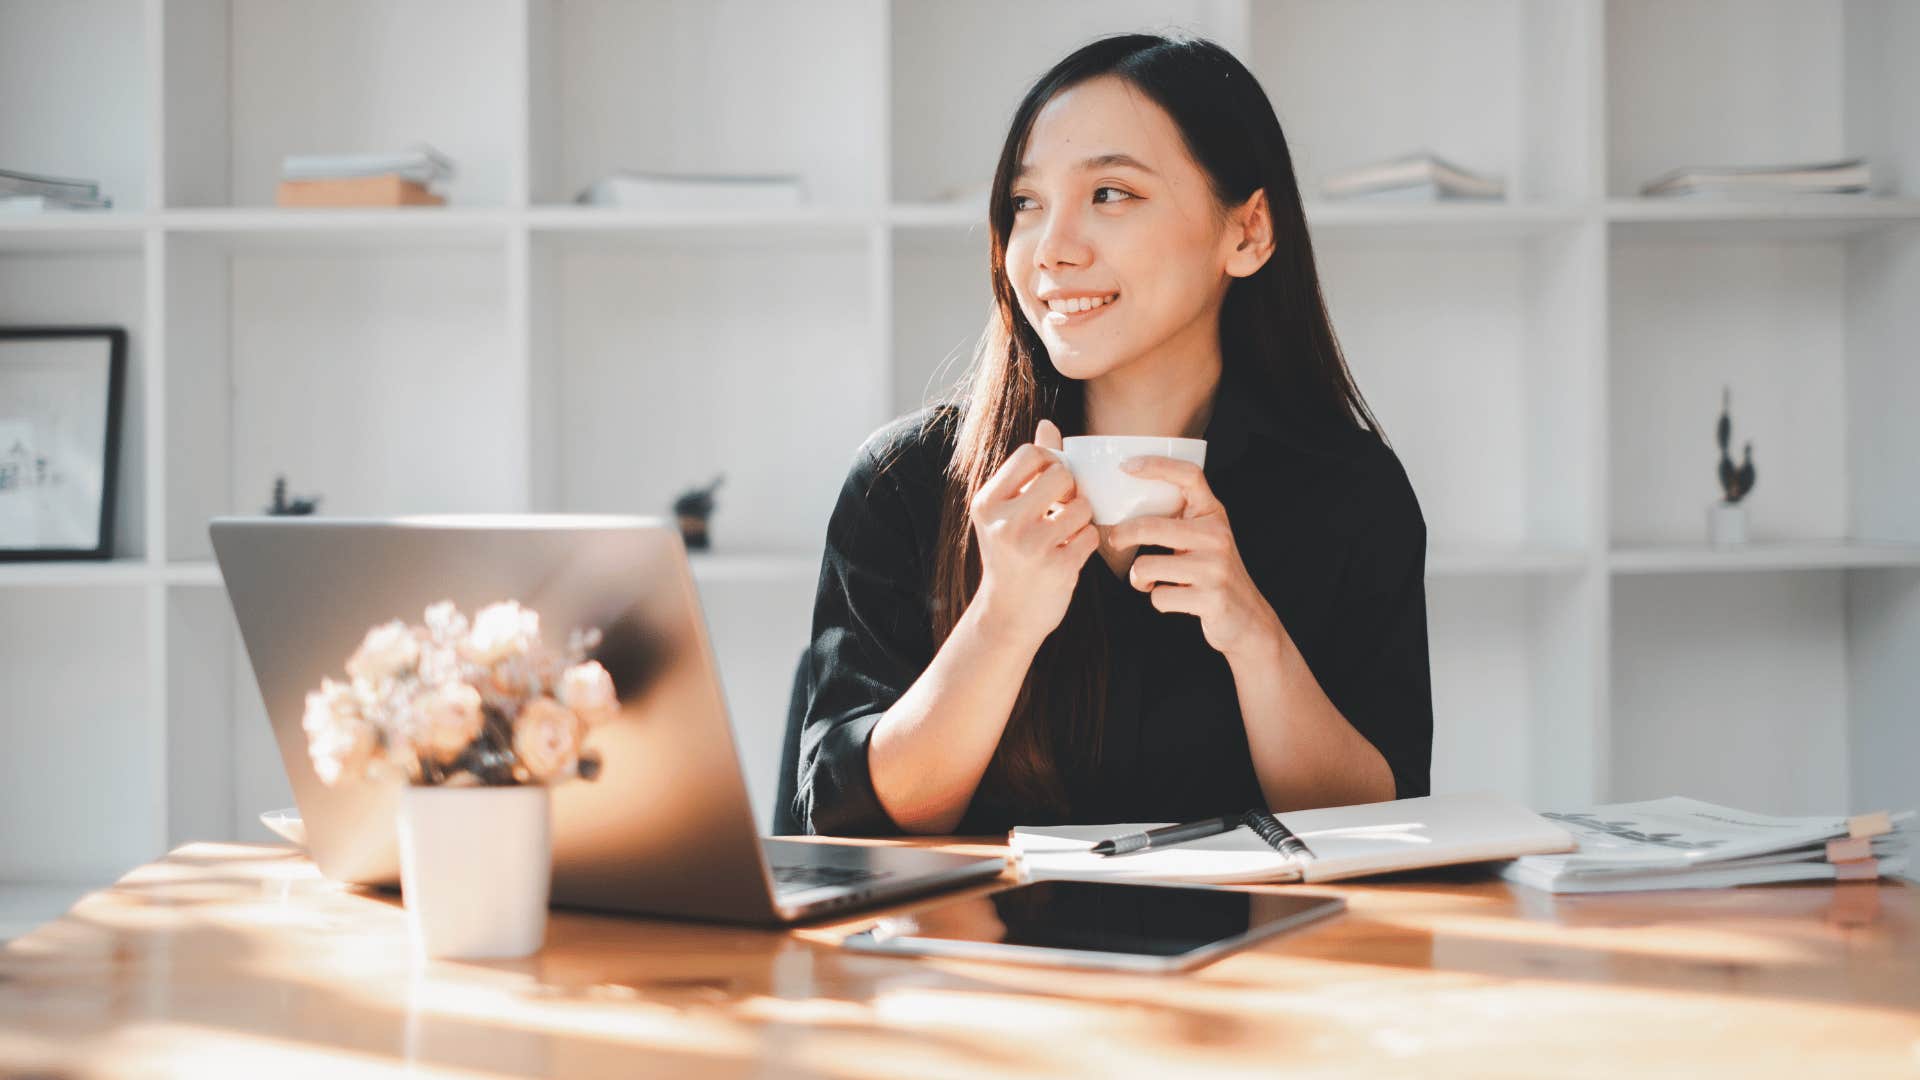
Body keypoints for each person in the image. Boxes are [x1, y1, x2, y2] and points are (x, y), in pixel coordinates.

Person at [796, 33, 1431, 836]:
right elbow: (853, 827)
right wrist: (1003, 621)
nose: (1052, 251)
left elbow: (1385, 829)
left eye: (1111, 194)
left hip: (1261, 957)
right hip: (982, 955)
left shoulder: (1350, 490)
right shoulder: (908, 481)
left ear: (1248, 232)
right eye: (1027, 204)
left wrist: (1252, 634)